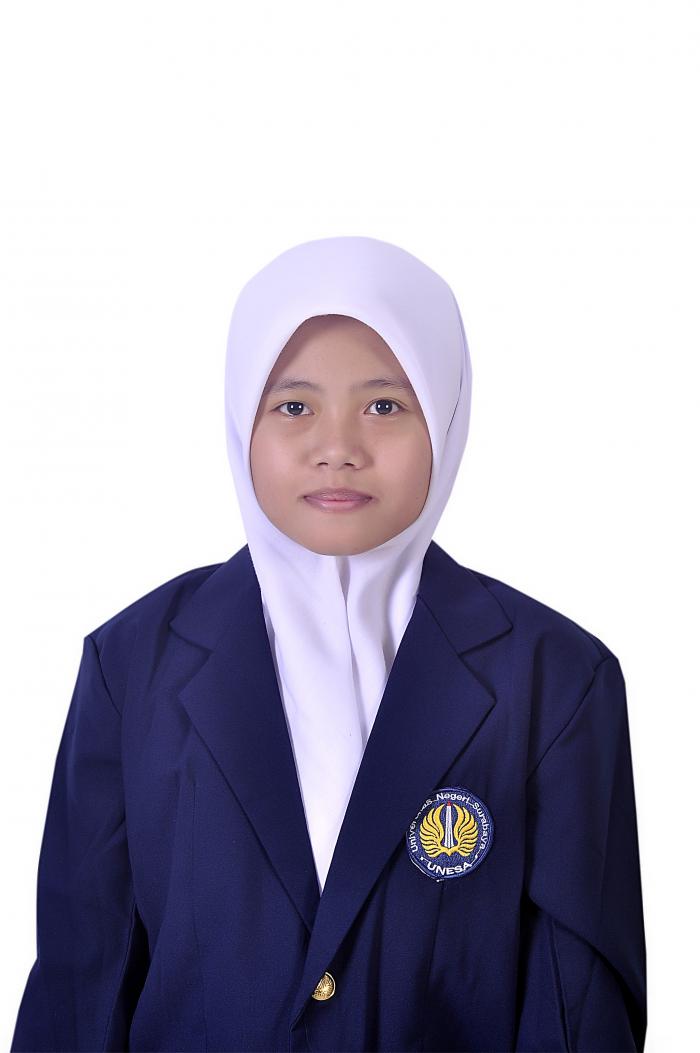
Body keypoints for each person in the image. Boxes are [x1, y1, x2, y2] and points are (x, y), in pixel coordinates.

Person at [11, 235, 646, 1052]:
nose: (338, 446)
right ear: (241, 415)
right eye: (294, 406)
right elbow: (80, 987)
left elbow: (579, 1006)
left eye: (384, 405)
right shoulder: (131, 666)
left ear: (445, 414)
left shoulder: (556, 678)